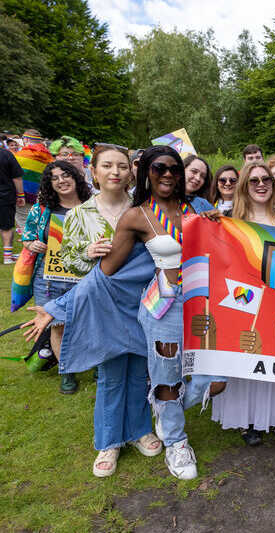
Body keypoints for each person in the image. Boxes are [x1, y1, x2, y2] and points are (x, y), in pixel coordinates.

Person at [89, 145, 226, 479]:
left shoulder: (198, 206)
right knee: (167, 378)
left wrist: (217, 225)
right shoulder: (137, 215)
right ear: (146, 172)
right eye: (159, 168)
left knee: (213, 379)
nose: (167, 174)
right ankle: (176, 442)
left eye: (174, 169)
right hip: (164, 306)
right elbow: (108, 269)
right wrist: (88, 253)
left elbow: (225, 247)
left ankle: (165, 412)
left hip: (203, 303)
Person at [60, 144, 161, 477]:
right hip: (102, 306)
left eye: (122, 166)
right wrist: (87, 252)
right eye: (107, 165)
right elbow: (67, 262)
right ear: (94, 171)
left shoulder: (144, 209)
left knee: (140, 369)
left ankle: (139, 430)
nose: (115, 172)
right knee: (112, 373)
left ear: (131, 172)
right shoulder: (79, 215)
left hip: (140, 302)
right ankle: (109, 441)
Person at [211, 161, 275, 446]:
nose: (261, 185)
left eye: (266, 180)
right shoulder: (228, 218)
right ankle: (247, 420)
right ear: (244, 186)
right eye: (254, 180)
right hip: (242, 297)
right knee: (247, 353)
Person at [22, 161, 92, 393]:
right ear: (49, 184)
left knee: (89, 323)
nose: (61, 181)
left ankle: (98, 364)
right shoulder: (42, 209)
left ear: (75, 177)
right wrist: (32, 244)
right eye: (55, 178)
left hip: (84, 277)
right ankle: (67, 371)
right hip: (48, 278)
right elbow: (27, 236)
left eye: (65, 175)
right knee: (57, 326)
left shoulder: (93, 206)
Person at [1, 145, 24, 263]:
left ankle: (8, 256)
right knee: (6, 227)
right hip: (5, 196)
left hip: (5, 196)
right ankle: (7, 257)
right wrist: (21, 195)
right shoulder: (6, 154)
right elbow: (17, 177)